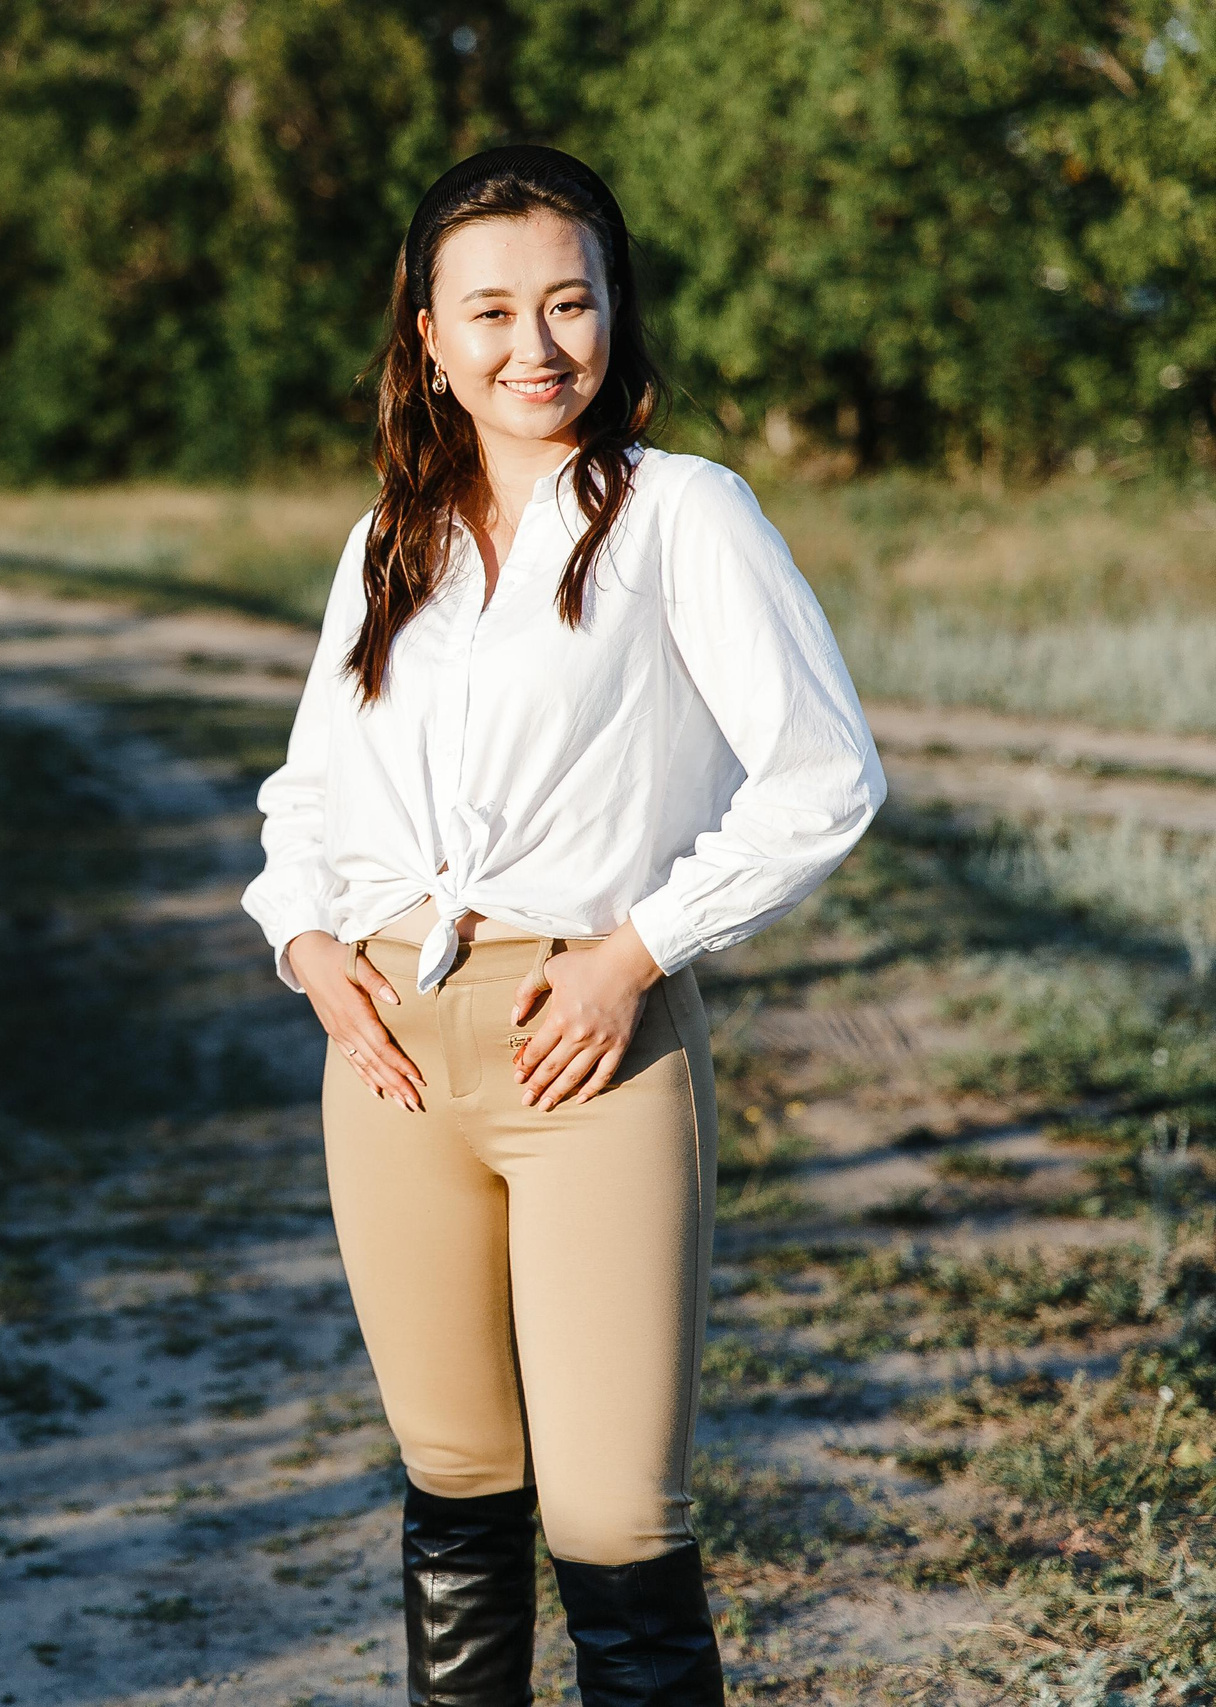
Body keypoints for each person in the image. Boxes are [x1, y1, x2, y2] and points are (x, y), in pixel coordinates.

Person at [241, 145, 884, 1706]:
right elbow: (307, 789)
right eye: (491, 311)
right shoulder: (389, 538)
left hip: (583, 1045)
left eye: (569, 302)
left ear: (614, 315)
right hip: (389, 1051)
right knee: (456, 1479)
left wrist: (631, 952)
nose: (536, 346)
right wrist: (307, 942)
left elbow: (826, 775)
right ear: (428, 339)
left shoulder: (682, 515)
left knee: (612, 1513)